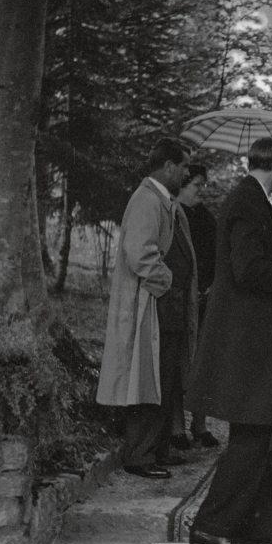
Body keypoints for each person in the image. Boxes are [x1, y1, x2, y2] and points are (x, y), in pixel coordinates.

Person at [185, 137, 272, 544]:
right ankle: (210, 524)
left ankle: (266, 525)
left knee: (263, 432)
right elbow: (247, 268)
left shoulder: (251, 199)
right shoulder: (247, 201)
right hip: (248, 338)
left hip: (256, 334)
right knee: (253, 435)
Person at [97, 138, 197, 479]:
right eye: (184, 166)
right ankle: (140, 455)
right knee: (147, 380)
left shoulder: (164, 201)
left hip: (167, 307)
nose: (187, 172)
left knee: (164, 381)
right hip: (152, 304)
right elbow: (140, 253)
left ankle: (158, 449)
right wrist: (168, 282)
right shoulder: (146, 200)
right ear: (168, 166)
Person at [170, 163, 219, 450]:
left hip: (204, 298)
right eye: (196, 185)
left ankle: (199, 424)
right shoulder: (172, 214)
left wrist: (212, 285)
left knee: (203, 361)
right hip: (179, 298)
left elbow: (217, 254)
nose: (201, 190)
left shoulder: (204, 217)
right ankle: (177, 426)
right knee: (178, 361)